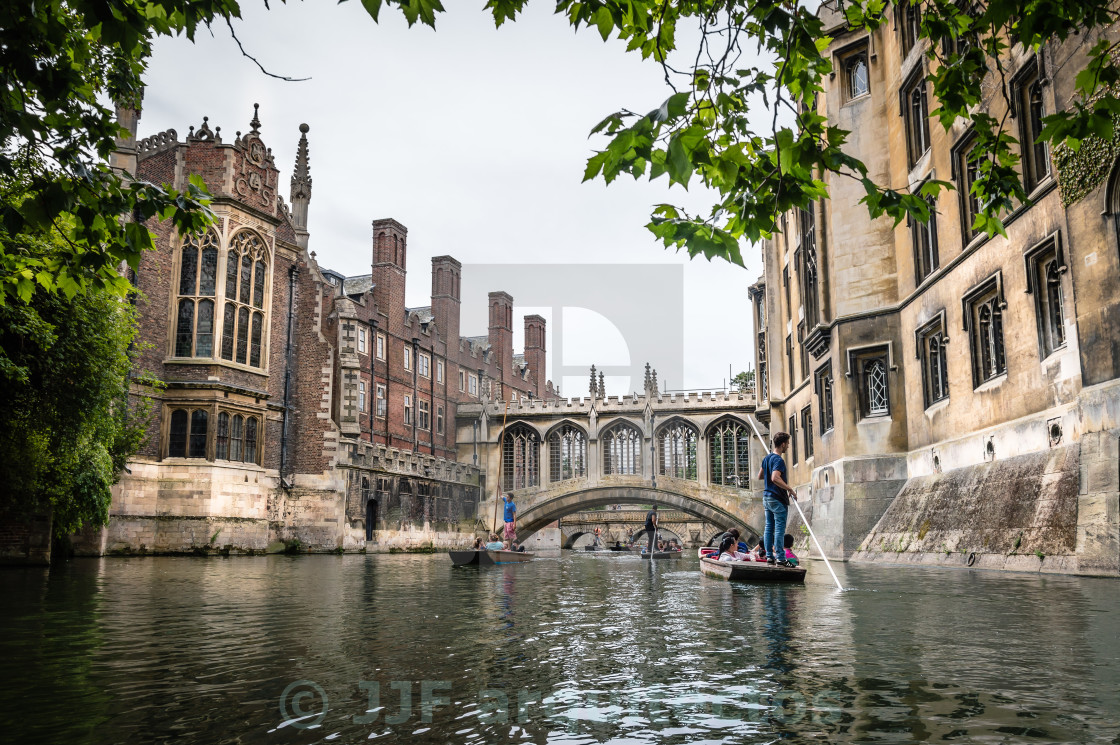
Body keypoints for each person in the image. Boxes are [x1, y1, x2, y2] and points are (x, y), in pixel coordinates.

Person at [756, 432, 794, 565]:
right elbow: (774, 477)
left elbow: (760, 475)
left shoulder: (766, 459)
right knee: (779, 529)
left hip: (766, 497)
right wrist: (789, 488)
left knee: (769, 528)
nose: (788, 447)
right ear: (783, 444)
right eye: (788, 444)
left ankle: (769, 556)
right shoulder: (778, 460)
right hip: (777, 498)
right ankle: (781, 557)